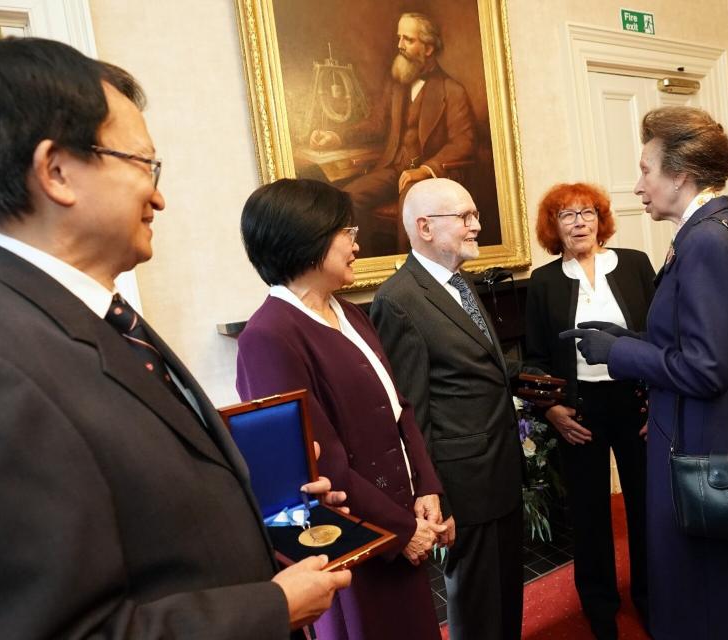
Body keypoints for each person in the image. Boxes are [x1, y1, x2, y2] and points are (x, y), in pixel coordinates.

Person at [0, 37, 352, 640]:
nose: (158, 195)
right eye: (144, 164)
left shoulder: (102, 320)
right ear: (57, 171)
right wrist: (270, 608)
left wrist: (268, 508)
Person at [561, 106, 728, 638]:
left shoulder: (706, 241)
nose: (638, 186)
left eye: (646, 170)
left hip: (703, 444)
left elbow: (707, 369)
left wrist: (617, 355)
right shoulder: (723, 228)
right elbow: (699, 342)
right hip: (715, 434)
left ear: (681, 175)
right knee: (723, 586)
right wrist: (629, 339)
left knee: (707, 591)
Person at [236, 178, 446, 640]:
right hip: (357, 543)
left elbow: (399, 407)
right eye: (346, 232)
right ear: (306, 238)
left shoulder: (350, 313)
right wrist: (401, 529)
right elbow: (319, 464)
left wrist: (426, 488)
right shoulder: (268, 336)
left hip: (401, 522)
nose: (356, 244)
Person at [370, 177, 524, 640]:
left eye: (475, 214)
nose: (476, 225)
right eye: (465, 216)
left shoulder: (460, 281)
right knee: (477, 608)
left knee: (506, 597)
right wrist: (437, 496)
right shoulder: (398, 300)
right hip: (463, 485)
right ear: (425, 227)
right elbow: (411, 413)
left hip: (499, 471)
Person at [525, 182, 654, 639]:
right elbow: (535, 358)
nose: (579, 223)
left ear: (601, 220)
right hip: (578, 411)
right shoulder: (544, 281)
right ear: (554, 227)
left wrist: (657, 403)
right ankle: (599, 605)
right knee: (589, 512)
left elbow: (660, 339)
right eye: (567, 215)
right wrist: (552, 411)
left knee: (646, 506)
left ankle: (651, 597)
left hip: (635, 401)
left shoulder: (635, 264)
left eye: (587, 213)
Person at [311, 12, 476, 256]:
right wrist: (337, 137)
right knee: (349, 198)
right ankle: (365, 263)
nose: (400, 45)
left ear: (428, 48)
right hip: (392, 169)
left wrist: (425, 169)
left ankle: (408, 270)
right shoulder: (397, 85)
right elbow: (375, 124)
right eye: (400, 38)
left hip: (427, 180)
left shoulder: (452, 91)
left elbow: (463, 142)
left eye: (408, 39)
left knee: (410, 207)